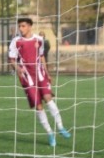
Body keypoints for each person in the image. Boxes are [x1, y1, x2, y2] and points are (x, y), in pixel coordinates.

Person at [8, 16, 70, 146]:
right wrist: (18, 69)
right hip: (26, 77)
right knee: (38, 106)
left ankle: (60, 127)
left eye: (23, 26)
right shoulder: (16, 41)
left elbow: (42, 57)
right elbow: (12, 60)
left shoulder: (39, 39)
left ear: (30, 26)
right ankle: (49, 133)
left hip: (40, 74)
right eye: (19, 26)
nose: (21, 28)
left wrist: (48, 74)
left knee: (48, 98)